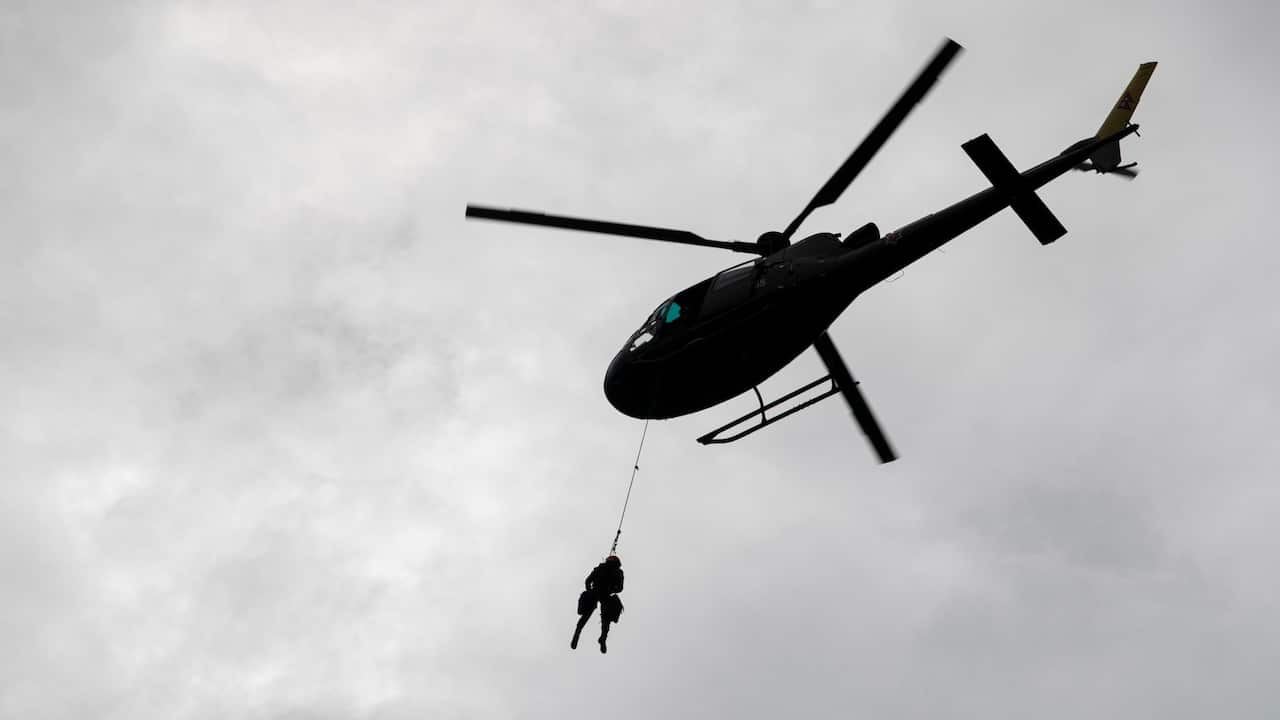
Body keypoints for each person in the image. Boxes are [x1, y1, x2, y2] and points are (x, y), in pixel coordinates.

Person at [571, 555, 624, 653]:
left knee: (588, 614)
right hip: (605, 594)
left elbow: (588, 581)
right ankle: (602, 638)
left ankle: (579, 631)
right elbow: (620, 588)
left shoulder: (601, 568)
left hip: (597, 592)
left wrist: (590, 590)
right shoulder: (617, 571)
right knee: (605, 618)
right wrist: (611, 590)